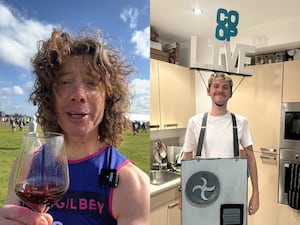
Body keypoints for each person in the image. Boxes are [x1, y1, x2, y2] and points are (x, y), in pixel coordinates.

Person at [0, 28, 150, 225]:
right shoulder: (27, 162)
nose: (78, 94)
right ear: (49, 97)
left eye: (91, 83)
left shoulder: (131, 183)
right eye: (65, 81)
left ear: (109, 97)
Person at [179, 73, 259, 215]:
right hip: (203, 190)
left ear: (230, 93)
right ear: (208, 91)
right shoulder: (194, 122)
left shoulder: (241, 122)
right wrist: (181, 192)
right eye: (216, 86)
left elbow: (251, 158)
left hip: (233, 191)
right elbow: (186, 158)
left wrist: (256, 193)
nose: (220, 90)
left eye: (225, 87)